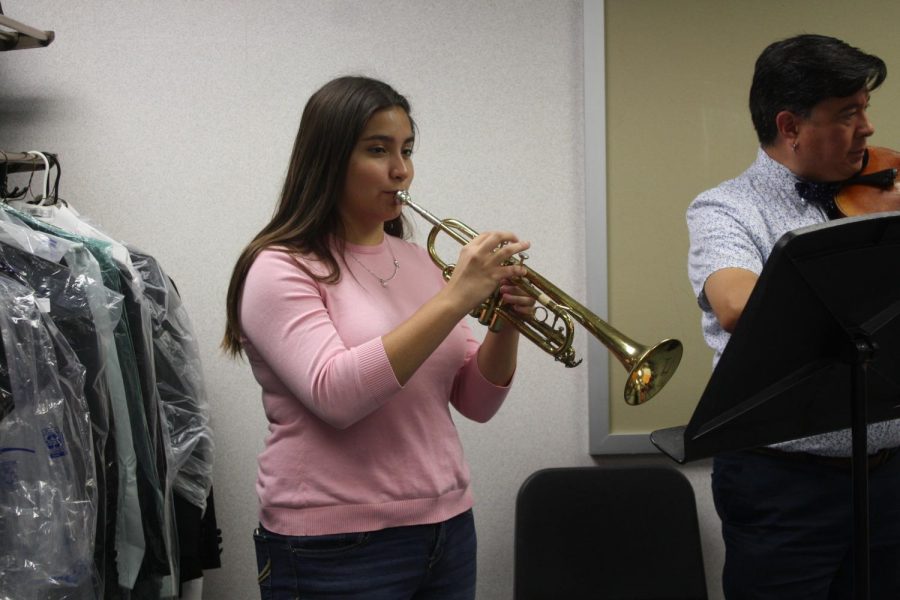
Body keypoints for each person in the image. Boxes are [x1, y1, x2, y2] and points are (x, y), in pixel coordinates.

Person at [222, 75, 534, 600]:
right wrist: (457, 297)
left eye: (407, 150)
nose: (401, 170)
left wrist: (505, 324)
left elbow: (475, 402)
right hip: (334, 541)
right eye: (378, 150)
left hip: (448, 525)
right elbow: (336, 394)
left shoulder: (420, 263)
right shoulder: (280, 268)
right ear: (329, 158)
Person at [687, 34, 900, 599]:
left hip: (892, 476)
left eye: (866, 109)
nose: (868, 129)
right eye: (848, 113)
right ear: (790, 127)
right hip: (784, 487)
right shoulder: (727, 208)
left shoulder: (889, 187)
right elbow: (737, 303)